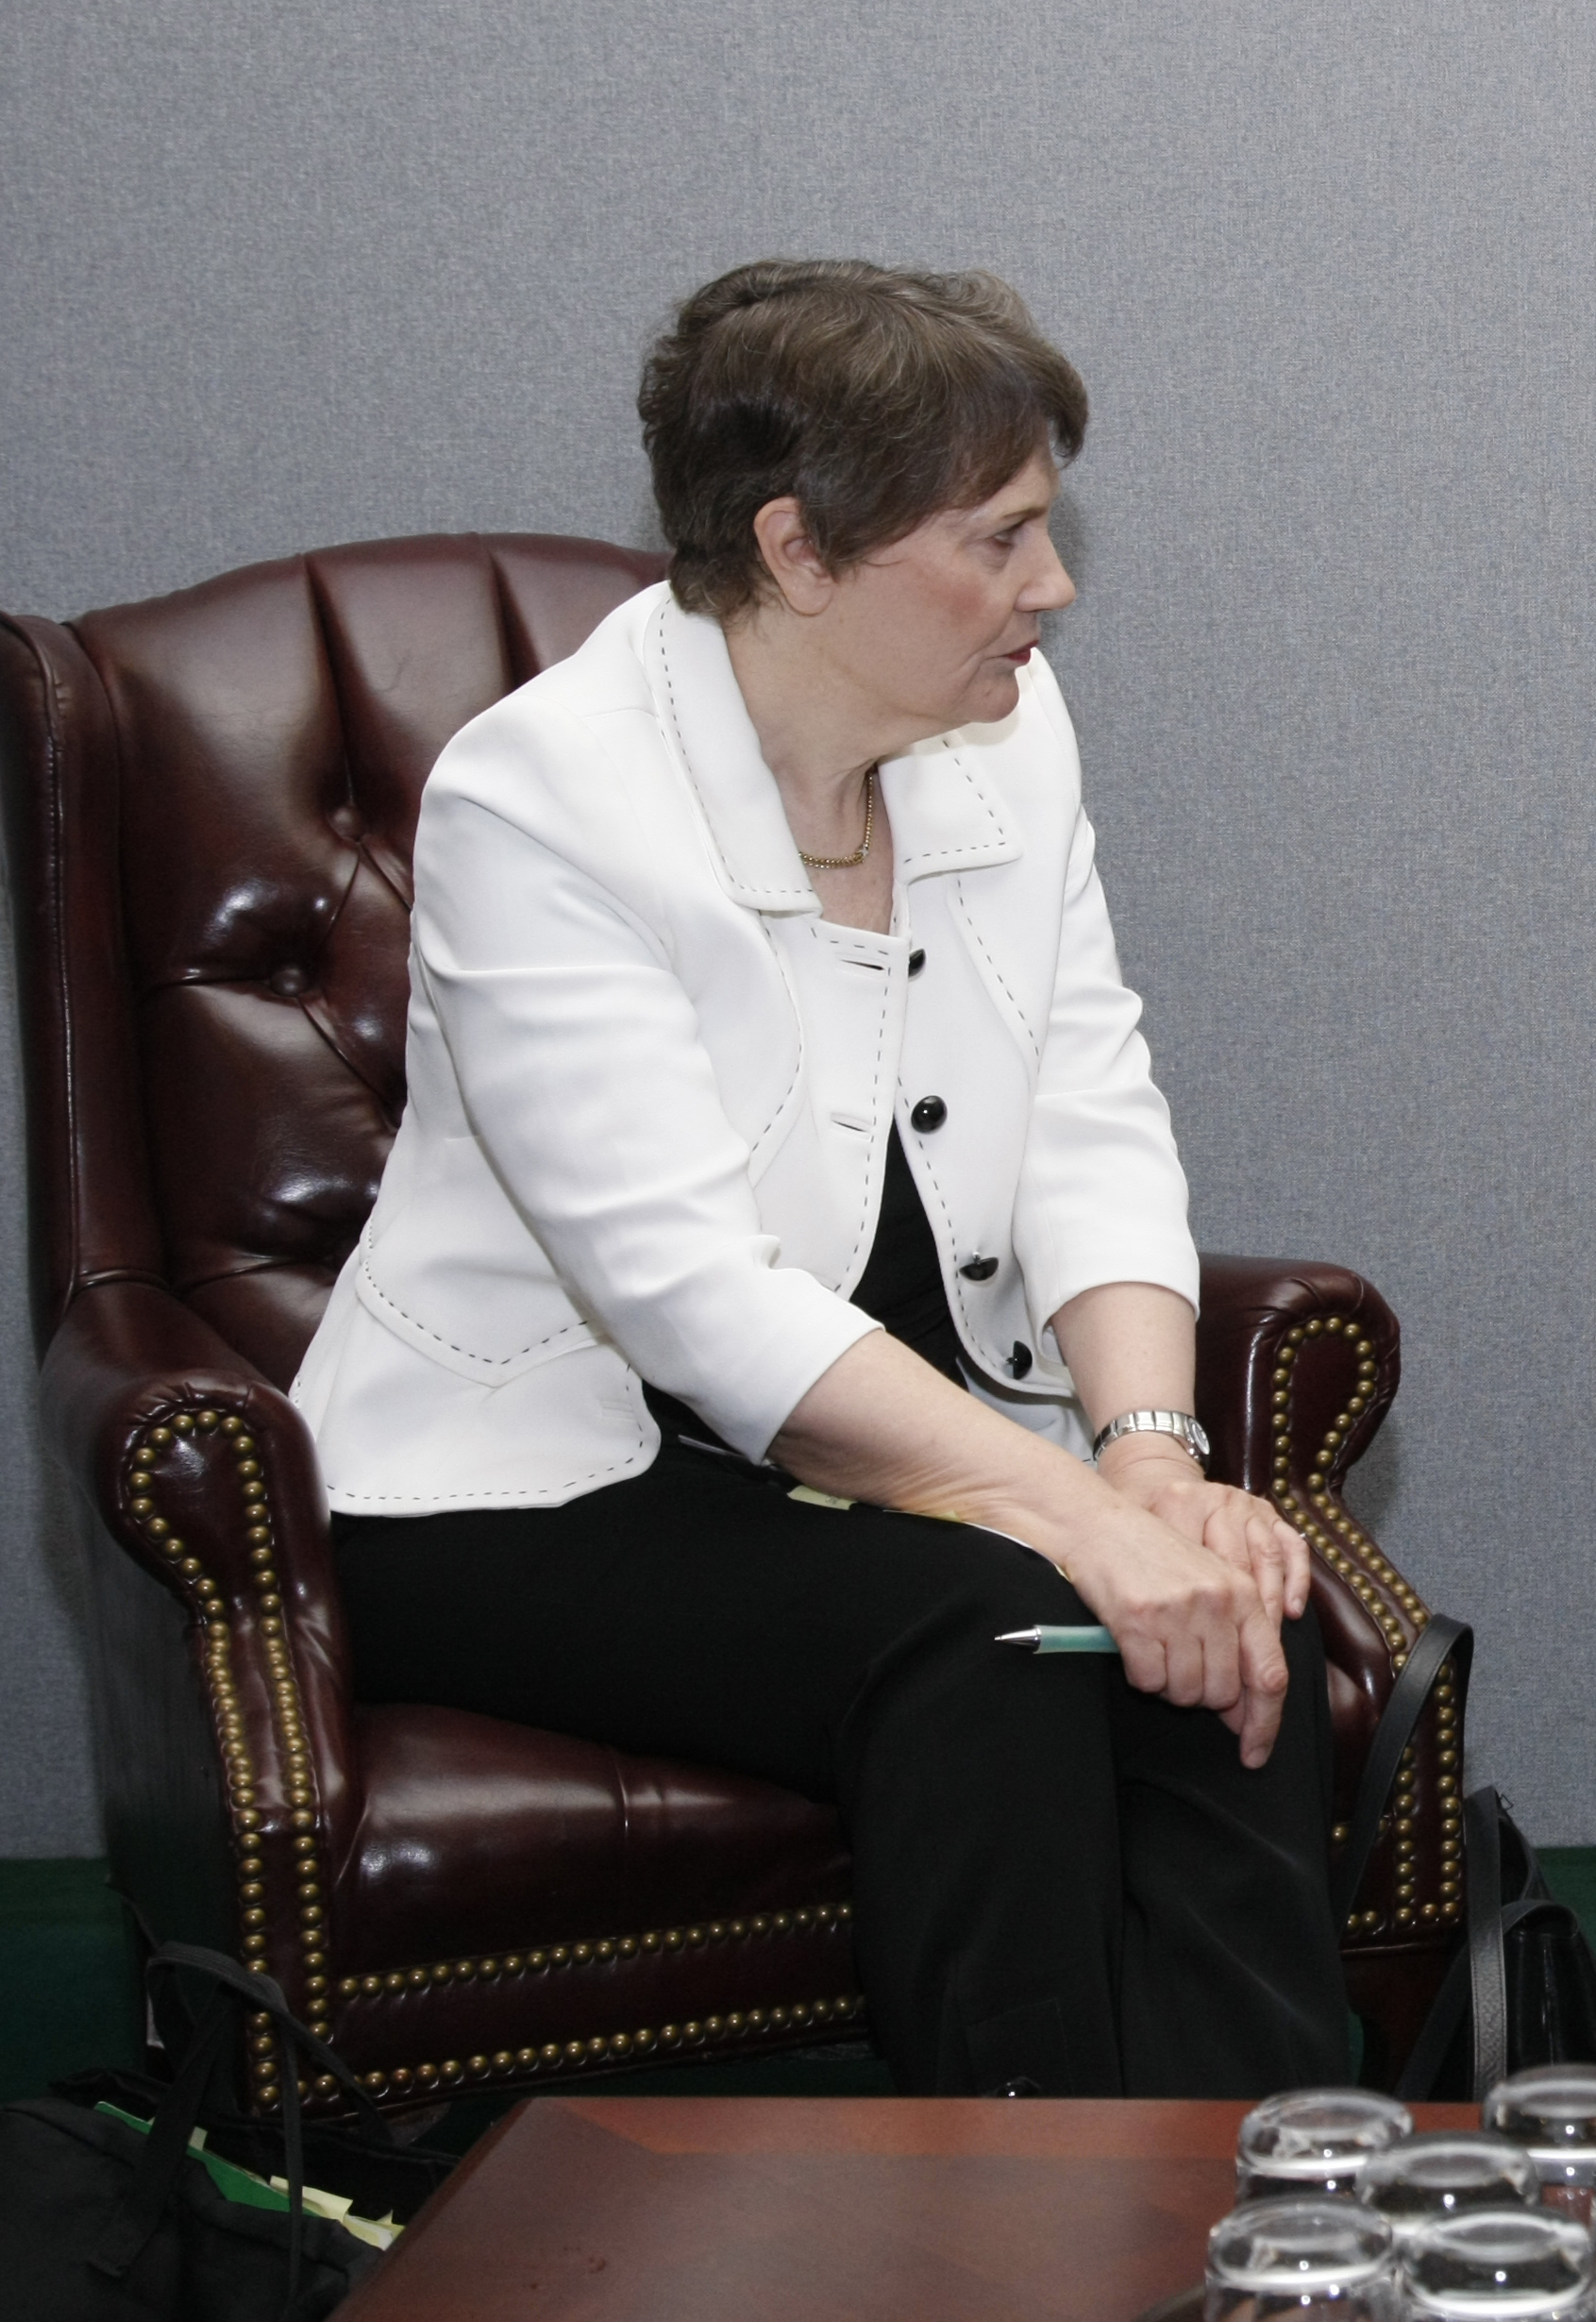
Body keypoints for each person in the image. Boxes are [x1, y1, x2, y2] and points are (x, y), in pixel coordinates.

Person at [294, 260, 1347, 2097]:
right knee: (1006, 1631)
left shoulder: (1013, 736)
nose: (1054, 589)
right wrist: (1070, 1522)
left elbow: (1093, 1108)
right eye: (1002, 537)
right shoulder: (542, 802)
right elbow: (693, 1303)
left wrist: (1152, 1468)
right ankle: (1032, 2237)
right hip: (530, 1483)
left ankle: (1273, 2216)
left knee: (1212, 1608)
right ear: (797, 551)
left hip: (893, 1460)